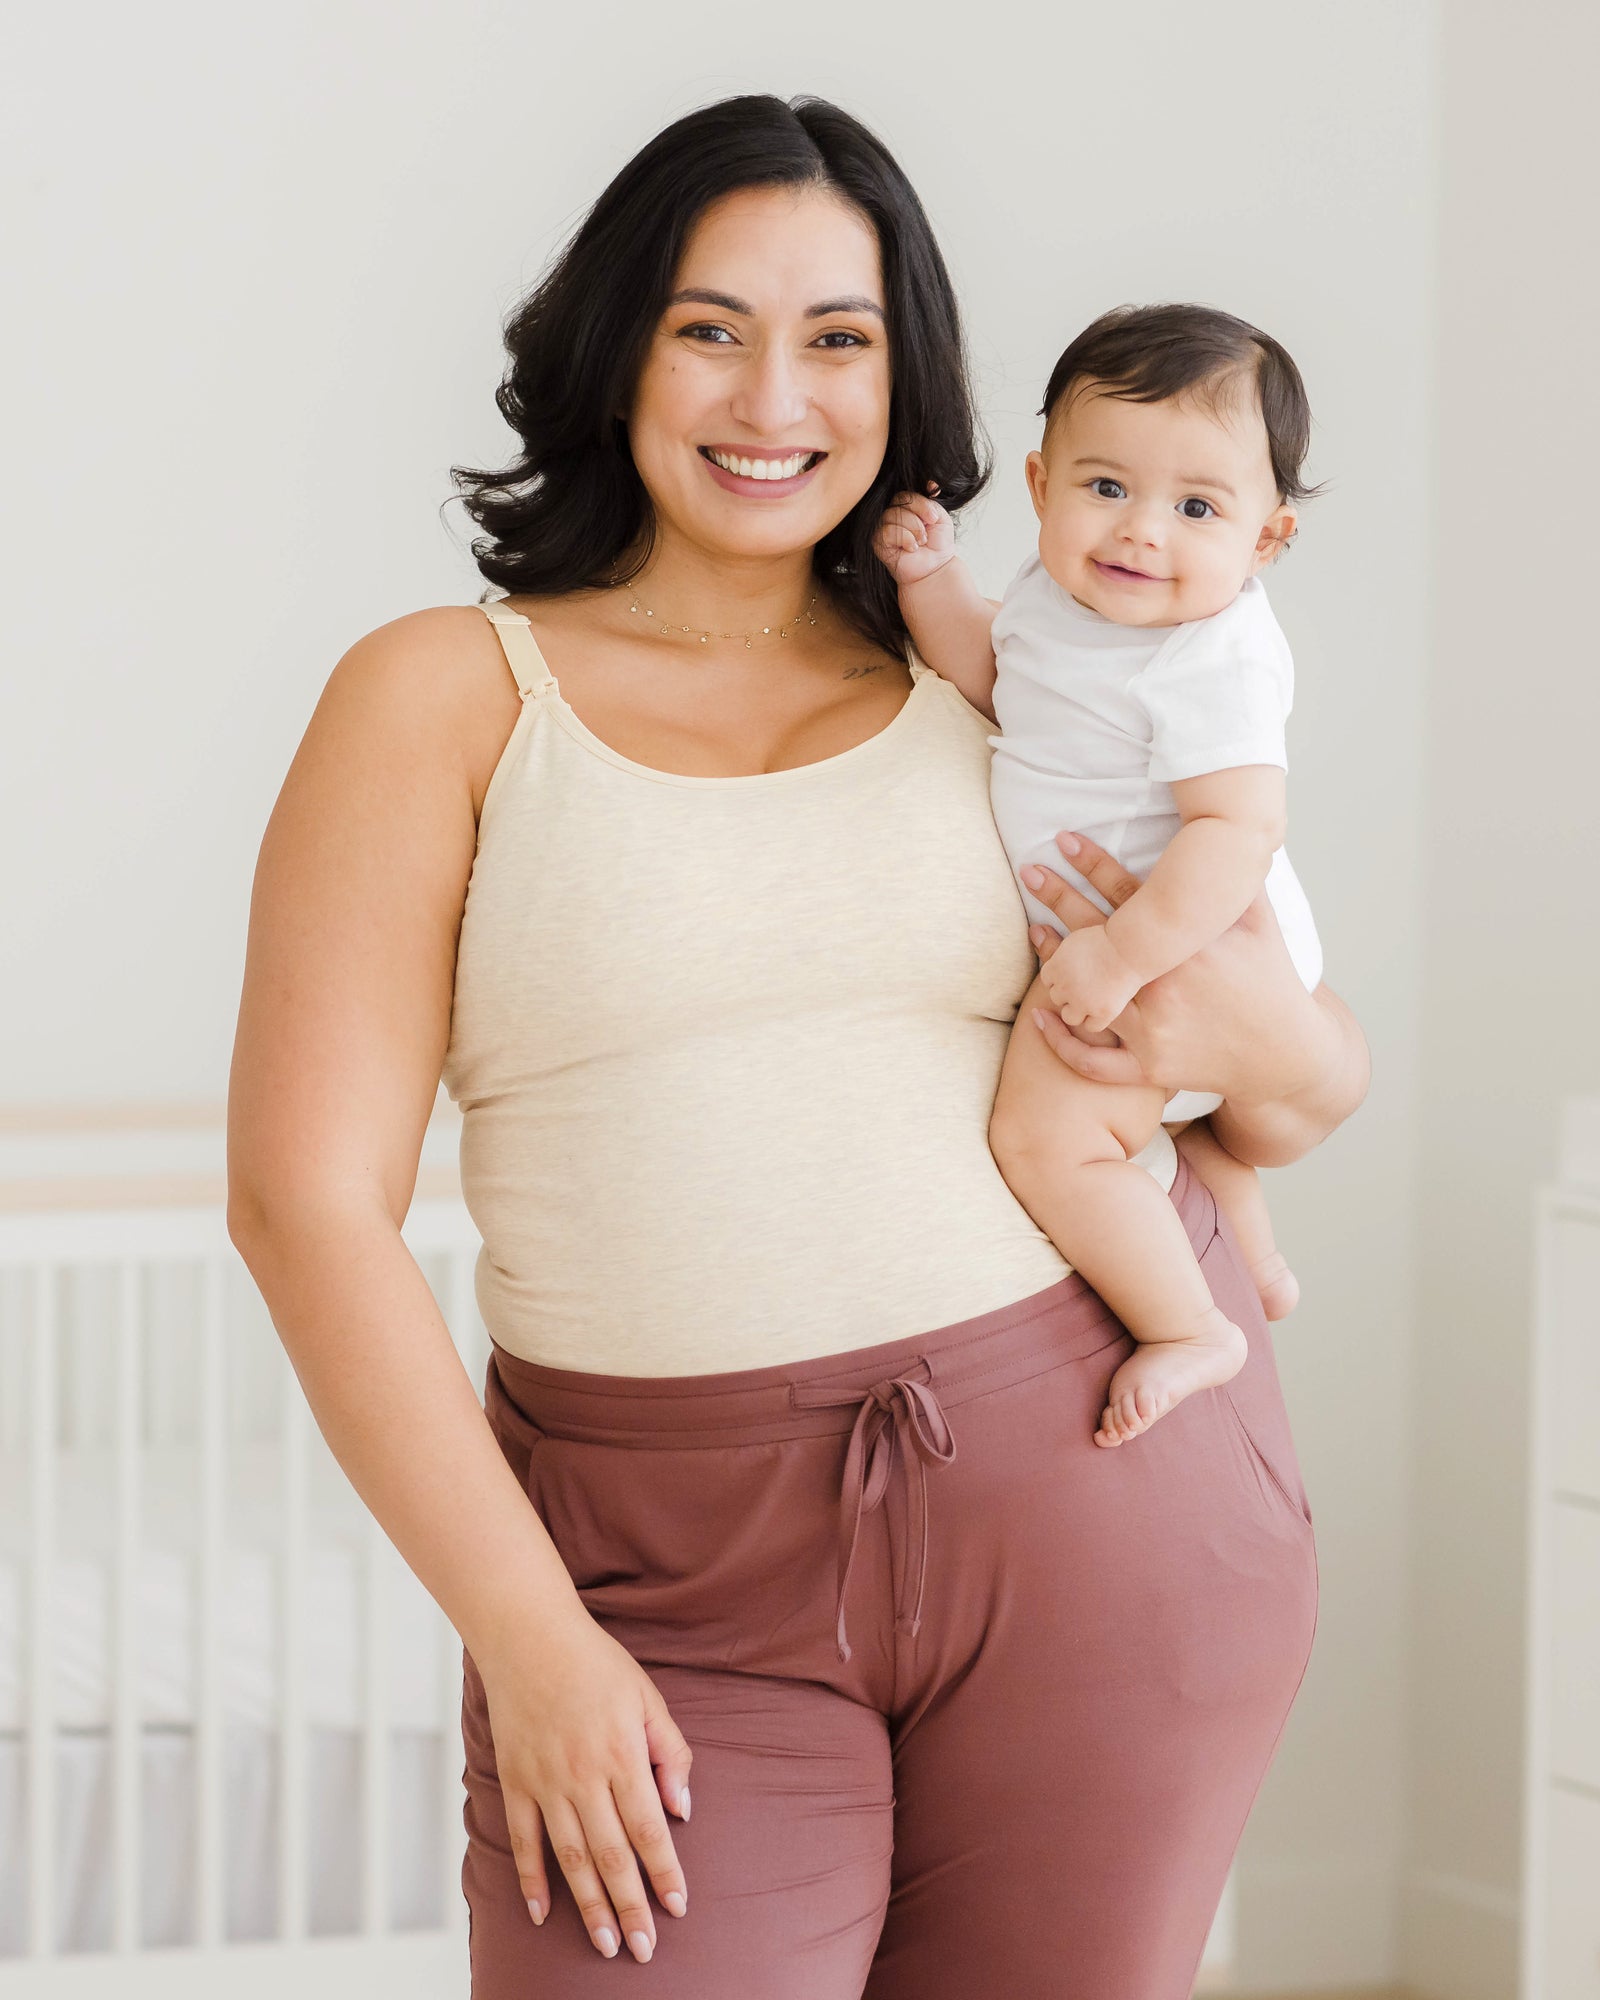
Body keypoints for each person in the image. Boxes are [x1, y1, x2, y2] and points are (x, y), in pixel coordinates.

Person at [226, 93, 1367, 2000]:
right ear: (613, 354)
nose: (777, 395)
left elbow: (1303, 1077)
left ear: (902, 375)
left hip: (1100, 1501)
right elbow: (302, 1206)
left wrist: (1284, 1073)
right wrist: (533, 1639)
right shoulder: (442, 693)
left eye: (839, 337)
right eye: (708, 327)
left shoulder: (1003, 678)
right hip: (658, 1576)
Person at [873, 302, 1326, 1448]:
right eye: (1106, 487)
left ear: (1264, 538)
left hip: (1184, 945)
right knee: (1191, 1136)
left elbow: (1237, 827)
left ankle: (1189, 1327)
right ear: (1040, 482)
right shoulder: (1053, 599)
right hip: (1143, 946)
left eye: (1196, 507)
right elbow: (991, 673)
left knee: (1049, 1140)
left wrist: (1119, 960)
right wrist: (931, 580)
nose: (1140, 532)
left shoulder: (1209, 652)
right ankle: (1251, 1253)